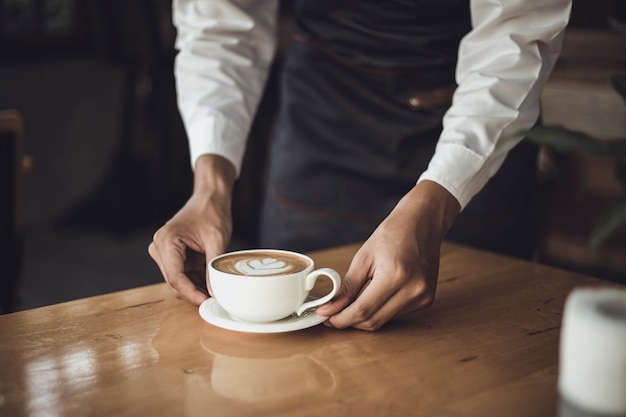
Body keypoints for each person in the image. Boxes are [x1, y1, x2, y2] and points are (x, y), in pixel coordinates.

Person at [149, 0, 572, 331]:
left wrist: (439, 197)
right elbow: (221, 26)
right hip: (320, 122)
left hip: (477, 128)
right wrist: (210, 189)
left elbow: (515, 36)